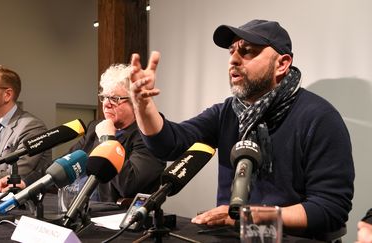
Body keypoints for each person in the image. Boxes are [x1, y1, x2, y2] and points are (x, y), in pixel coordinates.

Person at [128, 19, 354, 238]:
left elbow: (330, 208)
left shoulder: (319, 117)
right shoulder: (227, 112)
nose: (233, 60)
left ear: (282, 64)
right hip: (234, 236)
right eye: (231, 52)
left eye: (247, 51)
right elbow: (169, 145)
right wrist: (143, 106)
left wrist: (248, 216)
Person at [0, 63, 166, 203]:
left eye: (115, 99)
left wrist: (108, 140)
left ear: (136, 103)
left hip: (109, 216)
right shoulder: (96, 127)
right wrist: (26, 181)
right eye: (105, 97)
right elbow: (64, 164)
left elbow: (129, 185)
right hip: (75, 207)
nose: (106, 104)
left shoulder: (150, 135)